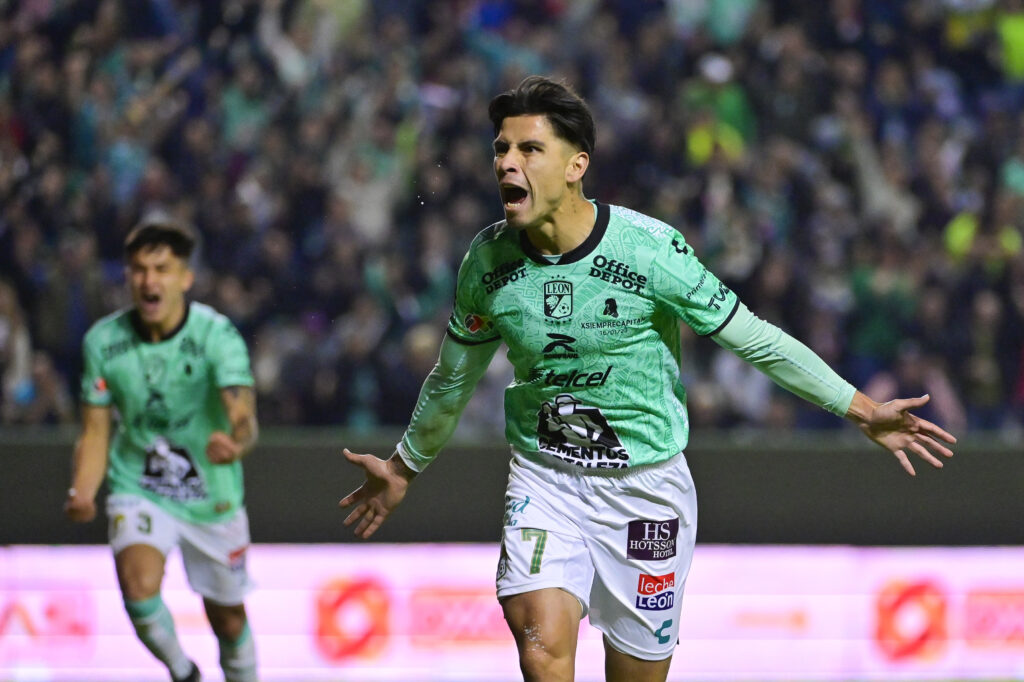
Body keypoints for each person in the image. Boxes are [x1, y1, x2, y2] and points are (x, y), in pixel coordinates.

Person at [338, 76, 957, 682]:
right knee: (539, 646)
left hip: (646, 492)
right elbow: (452, 378)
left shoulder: (649, 250)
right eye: (501, 148)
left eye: (529, 149)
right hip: (544, 480)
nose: (507, 163)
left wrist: (862, 409)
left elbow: (757, 339)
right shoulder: (488, 261)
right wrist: (403, 466)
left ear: (576, 164)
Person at [64, 218, 259, 682]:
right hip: (139, 481)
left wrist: (237, 443)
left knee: (228, 619)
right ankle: (183, 673)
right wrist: (84, 490)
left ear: (185, 278)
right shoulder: (103, 343)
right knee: (138, 586)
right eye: (138, 270)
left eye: (161, 269)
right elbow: (95, 431)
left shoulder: (217, 336)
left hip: (211, 493)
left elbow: (245, 415)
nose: (149, 280)